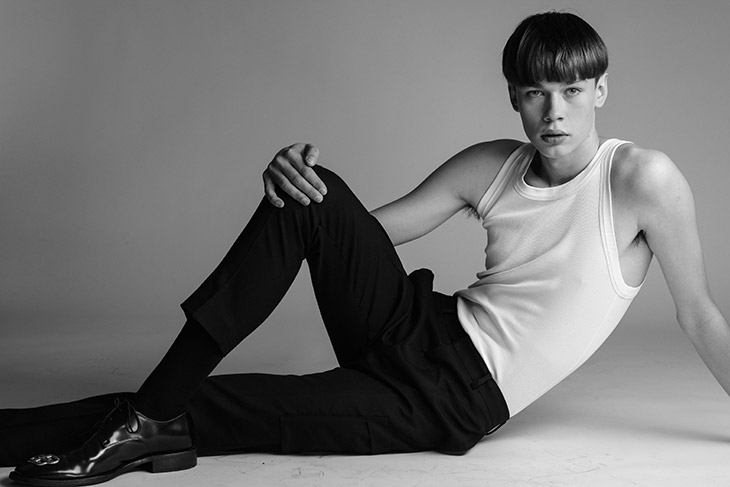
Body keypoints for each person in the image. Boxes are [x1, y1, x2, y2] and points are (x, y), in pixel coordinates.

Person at [3, 10, 728, 487]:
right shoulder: (494, 162)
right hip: (418, 324)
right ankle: (143, 420)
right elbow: (360, 236)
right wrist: (298, 195)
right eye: (536, 92)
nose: (554, 110)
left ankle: (134, 421)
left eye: (572, 89)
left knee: (220, 406)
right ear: (514, 96)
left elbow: (698, 314)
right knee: (312, 190)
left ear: (602, 89)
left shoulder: (641, 180)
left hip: (450, 398)